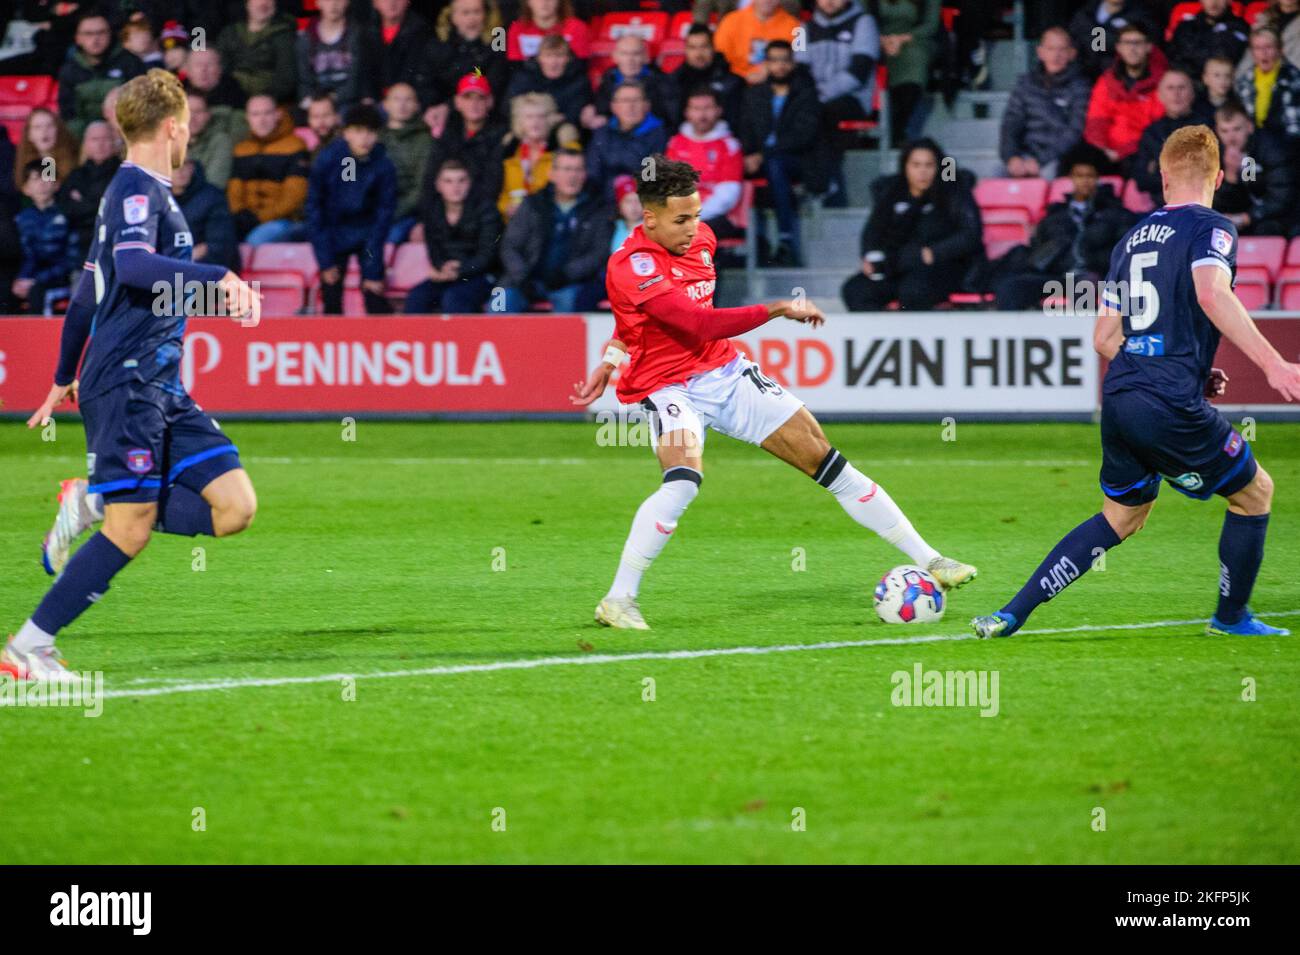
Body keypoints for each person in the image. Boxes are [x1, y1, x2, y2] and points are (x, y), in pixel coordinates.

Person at [575, 154, 976, 630]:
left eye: (697, 215)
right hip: (666, 386)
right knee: (683, 481)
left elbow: (636, 323)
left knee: (828, 461)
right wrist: (776, 308)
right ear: (650, 218)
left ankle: (931, 560)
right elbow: (695, 322)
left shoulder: (702, 240)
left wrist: (610, 358)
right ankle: (619, 599)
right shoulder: (632, 264)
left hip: (722, 372)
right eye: (680, 219)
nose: (693, 227)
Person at [972, 124, 1300, 641]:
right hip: (1167, 402)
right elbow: (1212, 295)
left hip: (1121, 396)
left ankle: (1011, 612)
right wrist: (1274, 364)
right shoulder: (1213, 228)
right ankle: (1230, 617)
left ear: (1163, 176)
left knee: (1121, 517)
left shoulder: (1131, 238)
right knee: (1255, 492)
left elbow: (1104, 337)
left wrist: (1183, 365)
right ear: (1218, 175)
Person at [6, 68, 260, 681]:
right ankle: (28, 646)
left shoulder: (134, 194)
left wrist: (62, 373)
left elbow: (92, 295)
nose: (190, 135)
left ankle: (95, 497)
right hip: (127, 382)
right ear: (173, 126)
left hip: (160, 384)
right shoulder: (138, 192)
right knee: (132, 529)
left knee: (234, 507)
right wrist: (219, 277)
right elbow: (137, 268)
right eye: (189, 125)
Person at [841, 137, 982, 311]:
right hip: (895, 265)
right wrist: (869, 256)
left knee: (914, 291)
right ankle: (881, 333)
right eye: (916, 165)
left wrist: (934, 252)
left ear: (938, 167)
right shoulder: (891, 193)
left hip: (942, 267)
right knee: (856, 290)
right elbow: (873, 231)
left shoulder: (952, 191)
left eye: (928, 165)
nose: (922, 172)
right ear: (905, 167)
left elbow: (970, 234)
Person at [987, 144, 1134, 310]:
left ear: (1098, 179)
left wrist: (1091, 257)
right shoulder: (1057, 215)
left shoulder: (1114, 213)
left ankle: (1082, 334)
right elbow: (1040, 246)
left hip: (1094, 273)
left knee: (1084, 285)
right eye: (1079, 175)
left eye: (1090, 176)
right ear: (1071, 179)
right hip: (1058, 275)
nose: (1085, 181)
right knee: (1013, 286)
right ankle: (1013, 332)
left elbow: (1122, 252)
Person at [306, 103, 398, 314]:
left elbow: (383, 215)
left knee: (374, 292)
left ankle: (380, 344)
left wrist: (373, 270)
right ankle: (331, 345)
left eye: (370, 132)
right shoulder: (328, 160)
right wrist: (325, 260)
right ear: (346, 133)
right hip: (333, 233)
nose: (364, 138)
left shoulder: (384, 165)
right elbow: (314, 209)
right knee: (331, 297)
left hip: (368, 235)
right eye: (358, 131)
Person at [499, 148, 612, 313]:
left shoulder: (597, 208)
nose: (572, 176)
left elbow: (598, 253)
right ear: (552, 174)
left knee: (570, 306)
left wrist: (566, 275)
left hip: (570, 284)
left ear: (584, 174)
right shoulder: (533, 204)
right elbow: (510, 246)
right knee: (500, 302)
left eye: (578, 169)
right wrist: (522, 278)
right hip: (524, 281)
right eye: (566, 169)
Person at [739, 40, 820, 266]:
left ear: (793, 64)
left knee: (776, 166)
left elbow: (803, 136)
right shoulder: (755, 94)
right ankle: (750, 243)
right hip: (760, 159)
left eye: (785, 60)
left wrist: (763, 155)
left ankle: (786, 239)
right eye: (774, 60)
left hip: (796, 160)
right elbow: (745, 129)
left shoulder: (806, 93)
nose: (780, 66)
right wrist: (748, 155)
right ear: (766, 64)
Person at [796, 0, 879, 207]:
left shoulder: (864, 22)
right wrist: (811, 97)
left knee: (820, 114)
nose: (830, 2)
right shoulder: (801, 29)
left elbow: (859, 72)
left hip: (854, 99)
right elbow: (799, 70)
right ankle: (816, 181)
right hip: (814, 99)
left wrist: (820, 95)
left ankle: (823, 181)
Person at [405, 158, 500, 313]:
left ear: (469, 183)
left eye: (461, 181)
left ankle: (463, 338)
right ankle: (417, 338)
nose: (455, 187)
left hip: (481, 275)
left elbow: (488, 256)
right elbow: (434, 249)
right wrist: (440, 268)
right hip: (448, 275)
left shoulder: (486, 210)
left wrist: (460, 270)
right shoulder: (433, 211)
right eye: (448, 181)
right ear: (439, 185)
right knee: (416, 297)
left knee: (455, 298)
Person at [1000, 26, 1092, 180]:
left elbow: (1075, 131)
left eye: (1062, 50)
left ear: (1072, 54)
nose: (1056, 55)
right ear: (1040, 52)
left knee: (1047, 174)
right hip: (1025, 154)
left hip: (1058, 158)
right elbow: (1011, 122)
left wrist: (1040, 160)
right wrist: (1011, 157)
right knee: (997, 174)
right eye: (1050, 49)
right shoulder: (1025, 83)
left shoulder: (1081, 86)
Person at [1083, 23, 1168, 172]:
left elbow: (1159, 127)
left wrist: (1122, 152)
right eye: (1127, 43)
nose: (1132, 49)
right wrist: (1102, 150)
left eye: (1138, 43)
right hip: (1107, 153)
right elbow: (1096, 121)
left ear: (1148, 47)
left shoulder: (1163, 81)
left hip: (1144, 152)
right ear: (1119, 47)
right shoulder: (1106, 81)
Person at [227, 94, 311, 244]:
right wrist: (240, 214)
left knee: (255, 241)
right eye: (255, 114)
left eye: (267, 113)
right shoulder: (241, 149)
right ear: (247, 118)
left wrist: (260, 218)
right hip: (246, 219)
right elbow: (234, 192)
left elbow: (295, 196)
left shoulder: (295, 146)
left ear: (277, 114)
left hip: (284, 221)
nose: (262, 120)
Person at [423, 71, 509, 209]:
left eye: (480, 98)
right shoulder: (448, 134)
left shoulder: (501, 136)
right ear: (457, 102)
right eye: (467, 97)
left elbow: (493, 184)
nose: (474, 104)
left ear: (490, 101)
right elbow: (431, 179)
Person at [666, 87, 743, 240]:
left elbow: (727, 194)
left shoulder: (729, 145)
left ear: (718, 111)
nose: (702, 115)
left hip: (715, 216)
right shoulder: (676, 144)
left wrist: (694, 215)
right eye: (696, 109)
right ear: (687, 112)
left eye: (707, 108)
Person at [1213, 101, 1297, 236]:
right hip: (1250, 217)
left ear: (1250, 127)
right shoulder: (1217, 153)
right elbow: (1221, 205)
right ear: (1217, 131)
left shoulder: (1271, 149)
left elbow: (1283, 196)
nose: (1231, 137)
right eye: (1225, 131)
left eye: (1237, 129)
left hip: (1280, 218)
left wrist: (1248, 217)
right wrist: (1230, 175)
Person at [57, 11, 146, 138]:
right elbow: (69, 114)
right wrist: (91, 138)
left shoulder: (130, 62)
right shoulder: (70, 70)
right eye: (88, 34)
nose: (95, 39)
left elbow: (141, 105)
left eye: (101, 32)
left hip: (124, 135)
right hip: (85, 139)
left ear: (110, 34)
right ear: (78, 38)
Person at [1133, 68, 1213, 204]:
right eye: (1170, 88)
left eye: (1181, 87)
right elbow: (1142, 181)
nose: (1176, 94)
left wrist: (1163, 173)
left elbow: (1212, 173)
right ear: (1159, 95)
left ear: (1192, 93)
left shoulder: (1208, 127)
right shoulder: (1151, 132)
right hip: (1164, 208)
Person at [426, 0, 510, 123]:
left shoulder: (499, 37)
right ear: (453, 17)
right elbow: (429, 82)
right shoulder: (439, 43)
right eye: (465, 13)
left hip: (486, 111)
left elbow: (497, 79)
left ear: (485, 14)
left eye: (477, 12)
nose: (472, 18)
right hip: (446, 113)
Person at [498, 91, 580, 218]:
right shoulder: (510, 152)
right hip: (516, 224)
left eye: (541, 116)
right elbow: (502, 194)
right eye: (529, 117)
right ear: (519, 121)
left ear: (550, 120)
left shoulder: (564, 147)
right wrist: (506, 208)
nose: (535, 122)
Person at [586, 80, 669, 200]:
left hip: (639, 203)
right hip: (603, 202)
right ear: (614, 107)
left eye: (636, 100)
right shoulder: (602, 133)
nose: (631, 106)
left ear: (647, 105)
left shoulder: (659, 135)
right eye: (625, 101)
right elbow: (593, 173)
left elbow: (651, 177)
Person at [13, 160, 77, 315]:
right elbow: (25, 256)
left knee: (38, 293)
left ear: (57, 184)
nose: (42, 183)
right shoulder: (21, 219)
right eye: (35, 179)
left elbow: (71, 259)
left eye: (47, 177)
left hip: (60, 279)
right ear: (25, 188)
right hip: (30, 279)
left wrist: (36, 280)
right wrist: (22, 279)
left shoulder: (68, 215)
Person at [874, 0, 941, 143]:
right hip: (873, 39)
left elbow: (931, 25)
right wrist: (882, 40)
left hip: (915, 39)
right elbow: (861, 17)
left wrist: (900, 39)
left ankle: (898, 130)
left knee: (915, 58)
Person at [58, 122, 122, 263]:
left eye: (105, 139)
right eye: (94, 139)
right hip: (79, 251)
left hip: (113, 248)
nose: (100, 144)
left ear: (115, 142)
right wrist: (97, 203)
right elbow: (65, 208)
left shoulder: (123, 174)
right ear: (85, 144)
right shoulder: (74, 174)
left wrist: (83, 203)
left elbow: (113, 211)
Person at [504, 34, 596, 131]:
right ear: (539, 58)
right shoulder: (524, 77)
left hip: (564, 130)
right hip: (526, 131)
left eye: (559, 56)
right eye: (548, 55)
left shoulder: (579, 81)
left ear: (568, 58)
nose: (553, 62)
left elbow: (577, 114)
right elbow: (508, 107)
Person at [296, 0, 374, 114]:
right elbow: (304, 80)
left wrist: (334, 99)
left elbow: (356, 79)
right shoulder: (306, 39)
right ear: (318, 3)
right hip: (317, 103)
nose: (333, 5)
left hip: (349, 102)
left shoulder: (357, 35)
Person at [215, 0, 299, 104]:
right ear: (247, 4)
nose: (263, 4)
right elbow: (220, 70)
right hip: (232, 100)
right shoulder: (229, 33)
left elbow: (286, 77)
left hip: (272, 103)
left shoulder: (284, 35)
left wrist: (263, 100)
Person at [380, 82, 432, 244]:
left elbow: (420, 188)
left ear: (417, 106)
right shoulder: (373, 137)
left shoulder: (425, 141)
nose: (402, 105)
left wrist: (390, 214)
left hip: (404, 214)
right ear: (385, 105)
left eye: (408, 100)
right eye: (396, 99)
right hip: (374, 211)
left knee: (387, 239)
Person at [594, 35, 680, 130]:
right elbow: (601, 114)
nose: (630, 60)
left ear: (646, 57)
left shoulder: (663, 82)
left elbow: (671, 120)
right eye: (624, 54)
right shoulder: (608, 79)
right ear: (615, 57)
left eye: (636, 54)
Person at [670, 23, 746, 130]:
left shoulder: (733, 83)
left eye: (704, 47)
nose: (698, 54)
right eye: (693, 48)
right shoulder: (672, 82)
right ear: (686, 50)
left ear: (713, 48)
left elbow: (739, 123)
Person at [172, 158, 240, 272]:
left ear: (193, 167)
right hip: (169, 272)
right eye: (174, 166)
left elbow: (219, 245)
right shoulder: (156, 197)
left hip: (210, 274)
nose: (180, 170)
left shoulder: (212, 197)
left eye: (185, 164)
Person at [365, 0, 435, 108]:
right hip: (377, 101)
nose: (392, 3)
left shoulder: (421, 32)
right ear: (375, 3)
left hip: (409, 102)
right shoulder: (367, 31)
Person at [1235, 25, 1300, 141]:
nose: (1263, 53)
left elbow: (1294, 128)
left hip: (1288, 146)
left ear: (1280, 50)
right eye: (1258, 48)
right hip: (1255, 145)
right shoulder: (1244, 81)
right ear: (1252, 53)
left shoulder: (1294, 79)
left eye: (1268, 47)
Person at [713, 0, 800, 84]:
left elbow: (801, 60)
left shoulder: (796, 26)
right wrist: (744, 75)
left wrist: (770, 70)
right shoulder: (729, 20)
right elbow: (720, 56)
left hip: (778, 83)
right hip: (735, 83)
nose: (767, 0)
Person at [1067, 0, 1157, 79]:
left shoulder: (1141, 15)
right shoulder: (1085, 12)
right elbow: (1072, 44)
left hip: (1121, 80)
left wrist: (1094, 36)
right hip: (1081, 78)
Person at [1168, 0, 1250, 78]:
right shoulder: (1185, 27)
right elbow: (1177, 60)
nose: (1213, 2)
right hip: (1191, 85)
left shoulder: (1241, 28)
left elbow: (1227, 56)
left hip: (1227, 84)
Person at [13, 109, 79, 193]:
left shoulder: (74, 160)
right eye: (37, 127)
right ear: (29, 134)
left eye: (50, 126)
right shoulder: (22, 163)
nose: (44, 131)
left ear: (58, 130)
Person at [506, 0, 591, 63]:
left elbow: (580, 64)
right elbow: (516, 65)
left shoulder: (577, 28)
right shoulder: (517, 29)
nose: (544, 2)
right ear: (528, 2)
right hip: (529, 84)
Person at [610, 173, 642, 252]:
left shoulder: (652, 230)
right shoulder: (612, 228)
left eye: (638, 201)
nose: (634, 206)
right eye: (628, 201)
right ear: (619, 207)